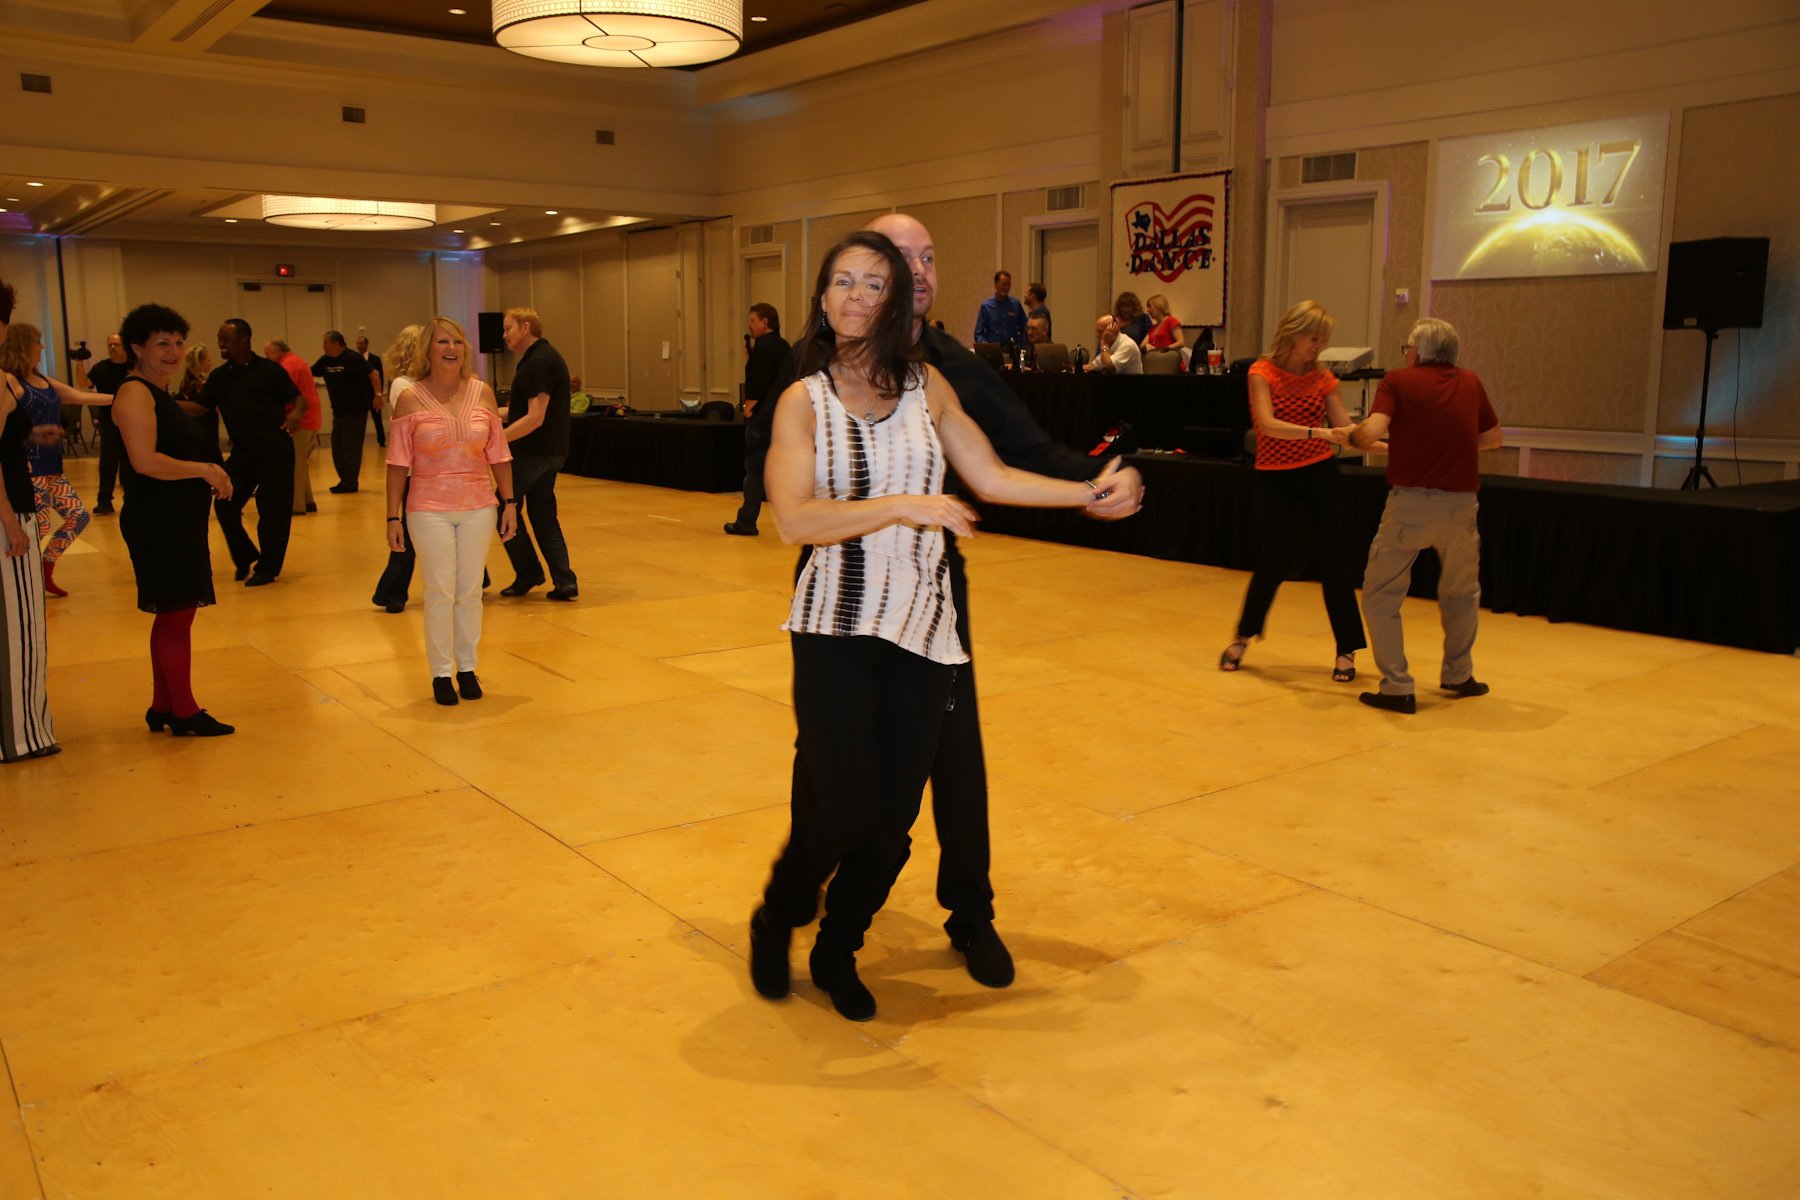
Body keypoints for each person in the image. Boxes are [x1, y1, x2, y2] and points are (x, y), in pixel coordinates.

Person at [749, 231, 1116, 1023]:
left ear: (895, 302)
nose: (856, 295)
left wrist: (1090, 492)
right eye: (841, 282)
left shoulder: (930, 387)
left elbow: (993, 476)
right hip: (836, 627)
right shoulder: (803, 400)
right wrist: (906, 505)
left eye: (872, 283)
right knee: (841, 810)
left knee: (891, 826)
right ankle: (779, 914)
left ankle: (838, 946)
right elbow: (794, 520)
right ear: (823, 299)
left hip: (924, 631)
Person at [863, 211, 1144, 988]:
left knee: (954, 752)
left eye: (929, 257)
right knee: (830, 750)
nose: (920, 271)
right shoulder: (818, 362)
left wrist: (1099, 481)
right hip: (842, 589)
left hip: (931, 586)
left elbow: (1024, 452)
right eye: (901, 257)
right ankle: (828, 875)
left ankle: (971, 912)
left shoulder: (952, 365)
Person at [1349, 317, 1502, 714]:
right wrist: (1447, 447)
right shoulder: (1470, 382)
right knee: (1462, 593)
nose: (1407, 354)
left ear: (1418, 351)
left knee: (1381, 594)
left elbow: (1372, 431)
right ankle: (1459, 674)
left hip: (1412, 505)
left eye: (1408, 347)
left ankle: (1397, 686)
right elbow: (1492, 439)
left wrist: (1351, 435)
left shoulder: (1398, 381)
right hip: (1462, 506)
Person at [1219, 300, 1366, 682]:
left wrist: (1383, 440)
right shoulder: (1262, 372)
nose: (1319, 346)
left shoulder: (1322, 378)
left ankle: (1346, 649)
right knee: (1274, 559)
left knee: (1334, 560)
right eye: (1314, 339)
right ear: (1293, 335)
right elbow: (1267, 425)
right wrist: (1320, 432)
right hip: (1275, 477)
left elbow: (1347, 431)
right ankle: (1243, 637)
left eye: (1323, 340)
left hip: (1319, 473)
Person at [113, 303, 237, 737]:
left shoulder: (157, 392)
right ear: (137, 347)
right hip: (158, 520)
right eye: (162, 343)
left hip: (177, 518)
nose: (173, 352)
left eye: (179, 343)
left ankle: (163, 705)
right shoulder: (136, 392)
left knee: (171, 615)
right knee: (177, 615)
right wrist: (205, 470)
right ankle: (184, 710)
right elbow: (144, 461)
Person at [386, 317, 517, 705]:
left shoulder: (482, 393)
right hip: (428, 507)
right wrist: (392, 516)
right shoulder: (410, 397)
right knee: (440, 591)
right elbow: (397, 463)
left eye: (457, 341)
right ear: (428, 349)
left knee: (470, 590)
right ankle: (441, 673)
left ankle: (467, 667)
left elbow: (499, 454)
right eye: (442, 341)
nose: (451, 348)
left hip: (478, 504)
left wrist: (510, 503)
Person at [1, 323, 110, 598]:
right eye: (38, 342)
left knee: (77, 516)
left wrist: (127, 396)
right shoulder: (11, 382)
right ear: (25, 345)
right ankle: (27, 580)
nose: (42, 346)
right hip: (30, 469)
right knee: (39, 527)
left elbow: (78, 395)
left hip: (52, 468)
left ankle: (45, 568)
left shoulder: (42, 379)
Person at [0, 277, 60, 761]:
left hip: (13, 504)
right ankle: (20, 735)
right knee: (20, 630)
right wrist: (10, 521)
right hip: (9, 511)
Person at [202, 319, 299, 588]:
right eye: (219, 339)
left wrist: (294, 416)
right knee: (224, 504)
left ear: (244, 340)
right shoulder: (219, 377)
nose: (221, 344)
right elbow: (201, 406)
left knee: (272, 513)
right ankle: (245, 554)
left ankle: (268, 568)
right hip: (243, 454)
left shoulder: (270, 371)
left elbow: (298, 399)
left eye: (226, 339)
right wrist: (161, 403)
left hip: (275, 452)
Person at [497, 307, 577, 600]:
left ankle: (529, 572)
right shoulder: (540, 357)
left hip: (535, 453)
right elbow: (522, 411)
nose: (504, 335)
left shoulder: (539, 362)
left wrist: (496, 440)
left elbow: (535, 417)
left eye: (508, 328)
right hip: (547, 452)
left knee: (502, 507)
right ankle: (565, 582)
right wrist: (486, 414)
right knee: (543, 515)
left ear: (525, 327)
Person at [723, 302, 791, 537]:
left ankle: (746, 521)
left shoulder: (763, 347)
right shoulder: (784, 346)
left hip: (763, 417)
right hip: (783, 415)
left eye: (753, 320)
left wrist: (749, 405)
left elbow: (760, 381)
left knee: (754, 470)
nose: (749, 325)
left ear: (765, 322)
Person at [371, 324, 425, 613]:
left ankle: (391, 592)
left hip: (436, 469)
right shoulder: (402, 385)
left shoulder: (435, 382)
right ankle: (391, 592)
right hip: (413, 469)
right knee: (410, 530)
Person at [314, 330, 378, 493]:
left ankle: (350, 483)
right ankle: (345, 480)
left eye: (326, 343)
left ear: (336, 343)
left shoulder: (353, 358)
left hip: (356, 410)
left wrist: (378, 396)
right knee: (337, 447)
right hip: (338, 411)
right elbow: (309, 373)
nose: (323, 346)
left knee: (351, 447)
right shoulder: (325, 360)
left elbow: (374, 374)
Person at [265, 339, 319, 515]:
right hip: (311, 418)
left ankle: (296, 505)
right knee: (301, 461)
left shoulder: (288, 366)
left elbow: (283, 394)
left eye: (268, 354)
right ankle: (308, 500)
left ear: (276, 351)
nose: (267, 358)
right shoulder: (298, 361)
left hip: (300, 421)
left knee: (295, 464)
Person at [83, 333, 130, 515]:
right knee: (108, 463)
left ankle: (131, 499)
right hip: (109, 423)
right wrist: (79, 362)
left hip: (131, 423)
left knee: (130, 462)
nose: (112, 348)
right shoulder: (101, 368)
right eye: (110, 344)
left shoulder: (134, 366)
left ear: (124, 347)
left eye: (116, 345)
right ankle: (104, 502)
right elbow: (84, 383)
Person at [174, 343, 221, 463]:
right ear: (200, 363)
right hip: (206, 434)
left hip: (193, 435)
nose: (211, 363)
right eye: (208, 360)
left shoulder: (185, 383)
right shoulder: (202, 385)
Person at [972, 270, 1027, 346]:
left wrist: (1021, 344)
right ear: (996, 285)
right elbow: (978, 333)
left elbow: (1024, 328)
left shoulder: (1016, 304)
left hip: (1012, 348)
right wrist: (986, 346)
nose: (1007, 287)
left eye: (1008, 284)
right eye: (1004, 284)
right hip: (993, 348)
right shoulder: (986, 306)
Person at [357, 333, 387, 448]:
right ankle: (358, 442)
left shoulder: (375, 359)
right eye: (357, 343)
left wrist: (379, 394)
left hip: (373, 394)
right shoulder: (354, 358)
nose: (359, 346)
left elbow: (380, 377)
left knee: (377, 419)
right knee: (360, 421)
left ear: (366, 344)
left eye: (361, 343)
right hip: (360, 395)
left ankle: (381, 441)